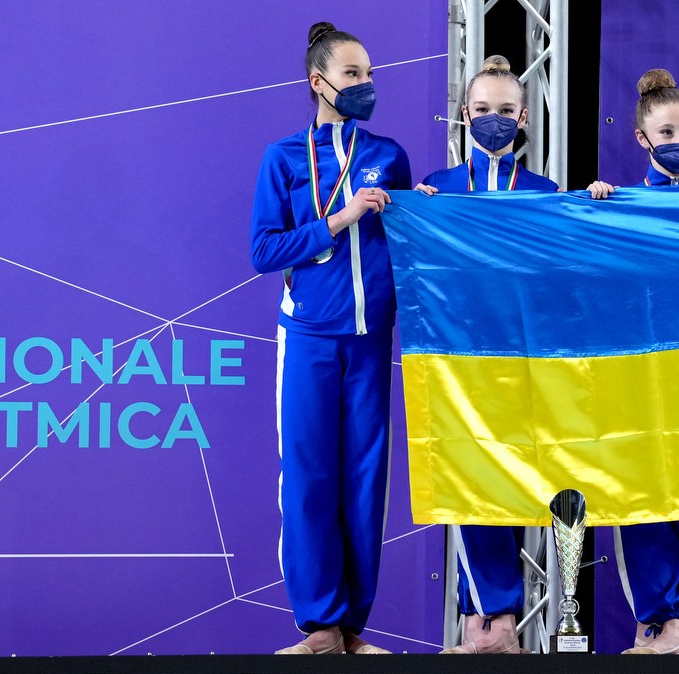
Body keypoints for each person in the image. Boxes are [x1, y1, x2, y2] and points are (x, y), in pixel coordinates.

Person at [249, 21, 411, 656]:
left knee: (366, 484)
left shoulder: (389, 155)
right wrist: (340, 219)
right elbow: (264, 251)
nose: (366, 84)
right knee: (309, 478)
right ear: (318, 82)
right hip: (310, 336)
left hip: (371, 338)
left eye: (369, 74)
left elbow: (411, 238)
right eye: (352, 74)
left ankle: (352, 629)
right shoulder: (283, 157)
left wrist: (422, 205)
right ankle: (319, 625)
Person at [415, 55, 558, 655]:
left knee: (511, 480)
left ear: (524, 118)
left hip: (523, 359)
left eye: (505, 110)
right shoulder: (437, 188)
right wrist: (412, 213)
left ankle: (489, 619)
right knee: (469, 478)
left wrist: (596, 204)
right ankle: (491, 619)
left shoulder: (546, 194)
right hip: (457, 359)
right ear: (463, 115)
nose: (493, 119)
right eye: (481, 110)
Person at [587, 69, 679, 657]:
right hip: (639, 370)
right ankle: (653, 627)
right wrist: (595, 210)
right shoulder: (619, 202)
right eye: (667, 133)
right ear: (642, 139)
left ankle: (673, 628)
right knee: (642, 495)